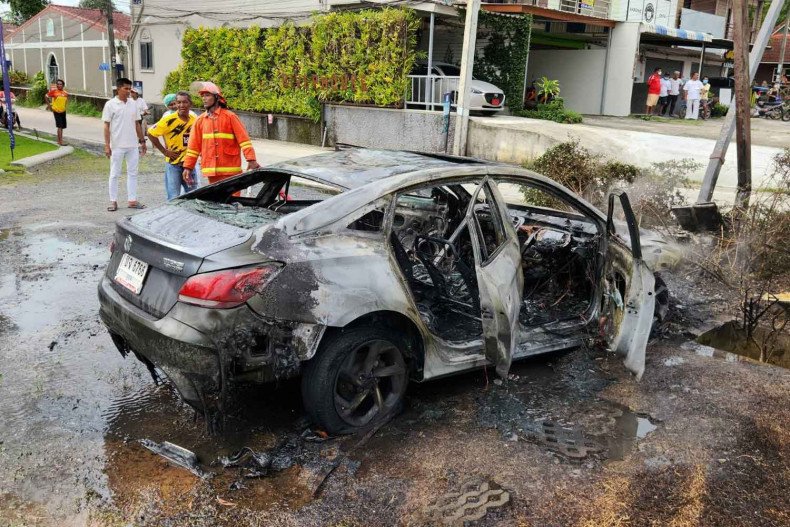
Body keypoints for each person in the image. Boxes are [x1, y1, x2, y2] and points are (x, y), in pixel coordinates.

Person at [182, 81, 259, 188]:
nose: (204, 98)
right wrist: (188, 167)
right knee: (217, 203)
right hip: (211, 171)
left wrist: (251, 159)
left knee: (232, 203)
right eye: (203, 96)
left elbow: (244, 140)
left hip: (231, 172)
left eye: (207, 95)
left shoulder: (230, 117)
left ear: (217, 98)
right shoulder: (200, 121)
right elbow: (193, 148)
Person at [102, 77, 147, 211]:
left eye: (130, 89)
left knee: (133, 173)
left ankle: (132, 200)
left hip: (132, 145)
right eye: (125, 88)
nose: (128, 91)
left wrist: (142, 141)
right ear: (118, 88)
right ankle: (113, 201)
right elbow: (106, 125)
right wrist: (107, 145)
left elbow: (137, 124)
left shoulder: (133, 103)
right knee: (115, 173)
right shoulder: (110, 105)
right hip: (117, 146)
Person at [148, 91, 198, 201]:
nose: (181, 105)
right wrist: (164, 151)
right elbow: (150, 133)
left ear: (190, 103)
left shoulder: (195, 120)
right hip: (173, 165)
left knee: (194, 197)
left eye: (184, 102)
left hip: (190, 166)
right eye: (178, 102)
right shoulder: (169, 120)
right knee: (174, 198)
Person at [45, 79, 68, 145]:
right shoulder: (54, 92)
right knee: (59, 126)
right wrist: (49, 106)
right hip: (56, 111)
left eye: (60, 84)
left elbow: (65, 102)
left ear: (63, 85)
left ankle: (59, 140)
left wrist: (64, 107)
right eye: (57, 84)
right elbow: (46, 96)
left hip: (63, 111)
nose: (59, 85)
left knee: (62, 127)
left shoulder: (65, 93)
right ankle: (61, 142)